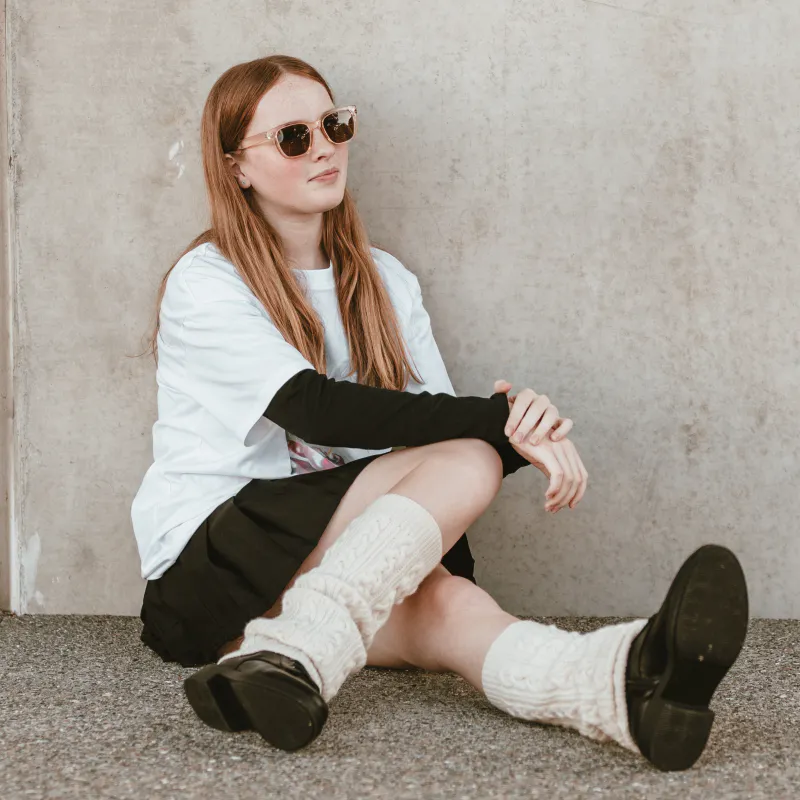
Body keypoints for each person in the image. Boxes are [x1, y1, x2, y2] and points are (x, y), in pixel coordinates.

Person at [131, 54, 749, 772]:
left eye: (334, 124)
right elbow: (317, 410)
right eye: (294, 137)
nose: (326, 145)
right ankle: (302, 644)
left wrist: (502, 421)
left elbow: (430, 424)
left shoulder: (386, 280)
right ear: (237, 165)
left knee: (448, 608)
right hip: (211, 568)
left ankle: (621, 687)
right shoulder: (208, 280)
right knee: (472, 455)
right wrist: (509, 423)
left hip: (320, 575)